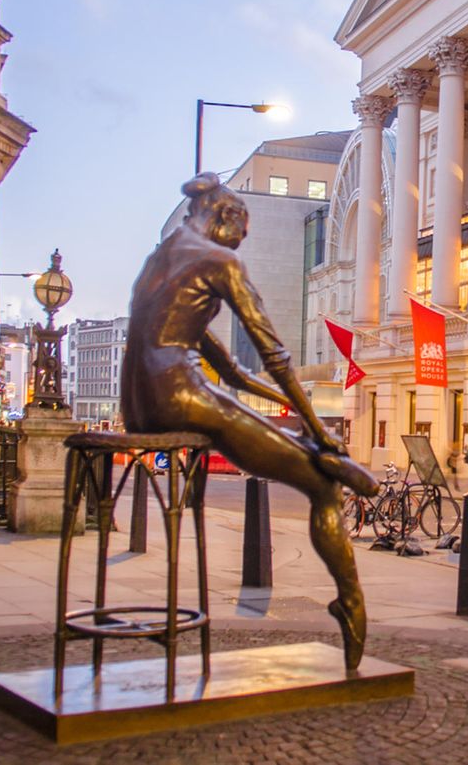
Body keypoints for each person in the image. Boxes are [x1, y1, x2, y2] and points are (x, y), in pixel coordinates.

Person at [120, 173, 379, 669]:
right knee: (322, 489)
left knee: (306, 452)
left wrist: (306, 426)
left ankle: (330, 462)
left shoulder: (162, 260)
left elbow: (235, 373)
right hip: (180, 394)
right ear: (225, 219)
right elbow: (274, 355)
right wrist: (320, 431)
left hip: (145, 402)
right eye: (243, 231)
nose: (243, 242)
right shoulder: (221, 261)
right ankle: (350, 603)